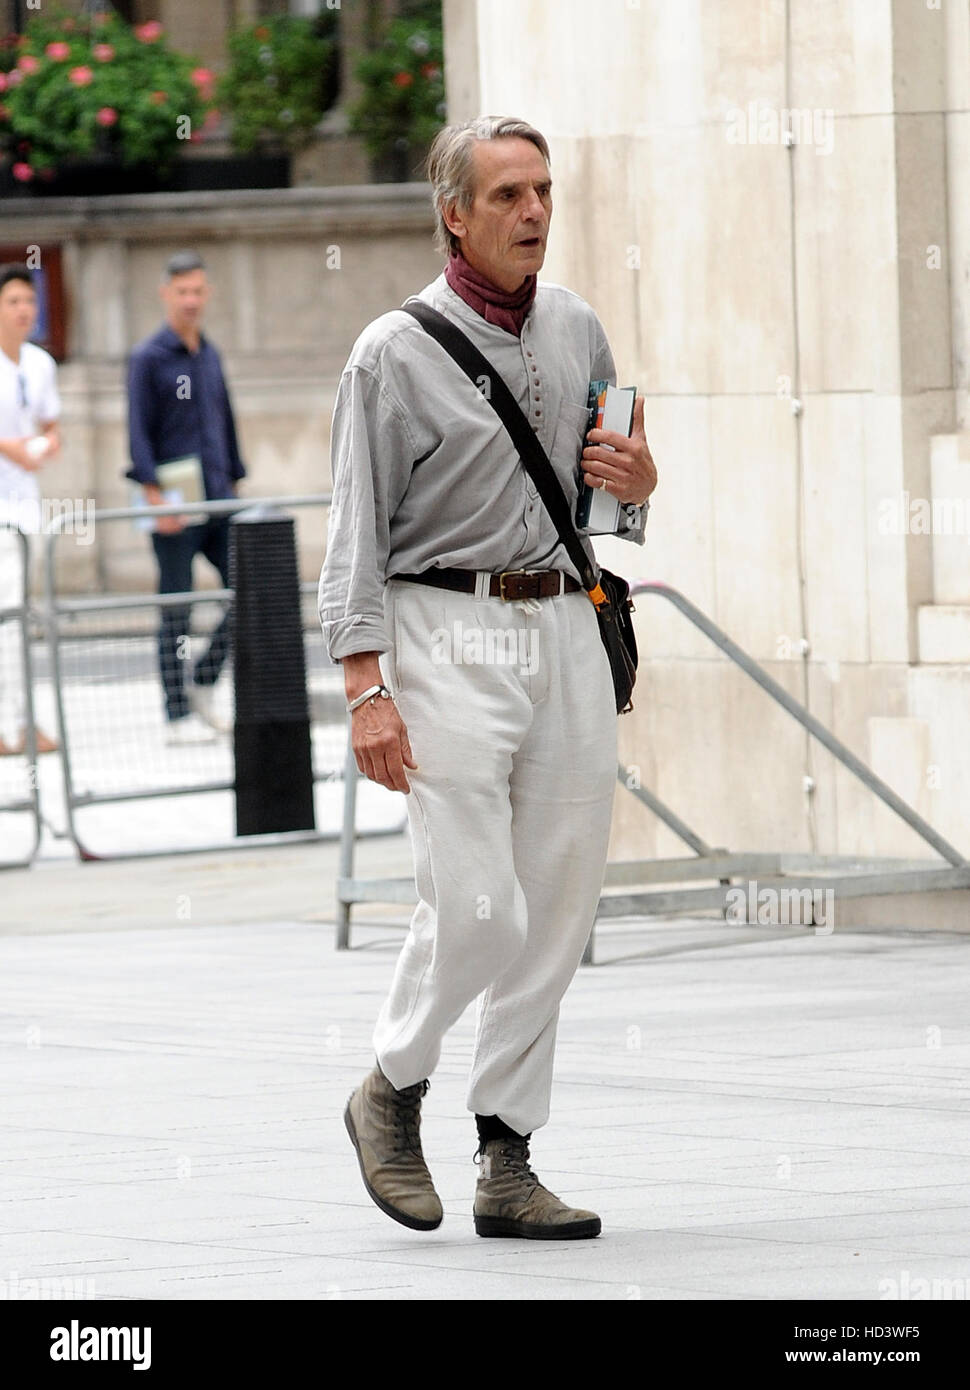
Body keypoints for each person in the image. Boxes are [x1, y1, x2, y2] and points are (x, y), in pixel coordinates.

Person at [319, 116, 658, 1239]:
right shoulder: (391, 350)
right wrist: (366, 687)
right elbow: (354, 534)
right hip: (439, 628)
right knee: (478, 906)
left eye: (545, 191)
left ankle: (507, 1161)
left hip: (563, 623)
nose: (534, 213)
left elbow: (607, 508)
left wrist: (640, 481)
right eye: (509, 194)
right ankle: (390, 1084)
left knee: (556, 909)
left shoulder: (576, 329)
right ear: (454, 213)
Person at [126, 251, 246, 745]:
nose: (191, 300)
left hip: (218, 499)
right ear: (166, 294)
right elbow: (137, 431)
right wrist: (153, 496)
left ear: (207, 293)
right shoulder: (149, 358)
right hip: (172, 506)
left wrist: (235, 479)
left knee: (249, 590)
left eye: (198, 290)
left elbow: (225, 420)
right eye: (183, 292)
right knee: (176, 611)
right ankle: (176, 715)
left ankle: (202, 681)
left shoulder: (209, 352)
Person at [0, 262, 61, 758]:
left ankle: (17, 722)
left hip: (25, 509)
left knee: (17, 616)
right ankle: (12, 724)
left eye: (28, 302)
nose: (23, 311)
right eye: (13, 301)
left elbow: (51, 425)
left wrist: (40, 446)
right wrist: (10, 447)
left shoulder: (40, 364)